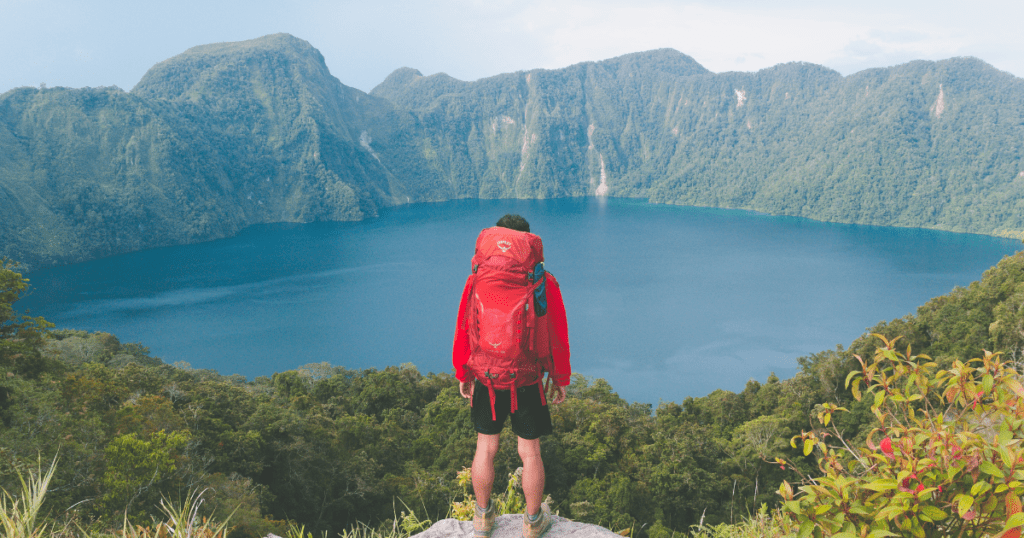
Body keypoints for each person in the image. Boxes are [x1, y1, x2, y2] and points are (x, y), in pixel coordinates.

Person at [452, 214, 571, 538]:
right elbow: (557, 332)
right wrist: (560, 377)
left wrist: (464, 371)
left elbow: (465, 326)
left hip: (487, 376)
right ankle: (533, 522)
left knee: (485, 447)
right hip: (526, 377)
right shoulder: (543, 282)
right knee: (529, 451)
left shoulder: (476, 278)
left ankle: (482, 518)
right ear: (527, 243)